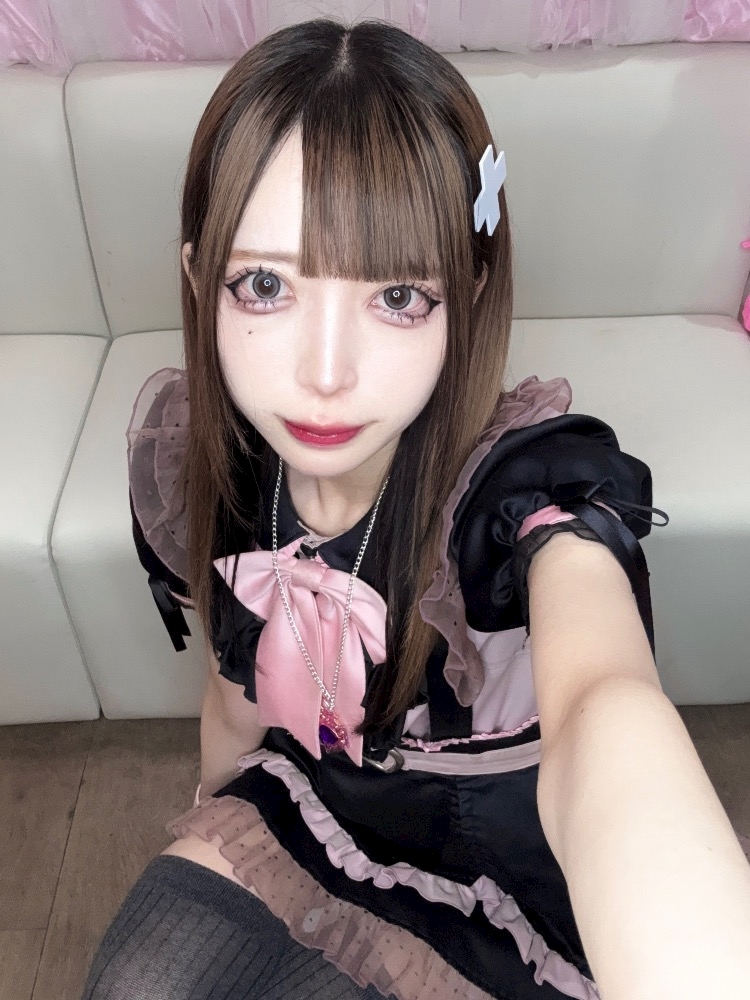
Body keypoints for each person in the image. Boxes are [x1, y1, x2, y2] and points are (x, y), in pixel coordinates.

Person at [82, 18, 750, 1000]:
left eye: (396, 296)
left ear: (465, 293)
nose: (324, 373)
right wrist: (214, 806)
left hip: (510, 863)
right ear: (200, 280)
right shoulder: (204, 464)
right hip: (321, 798)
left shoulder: (522, 502)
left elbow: (606, 708)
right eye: (264, 285)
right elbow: (233, 694)